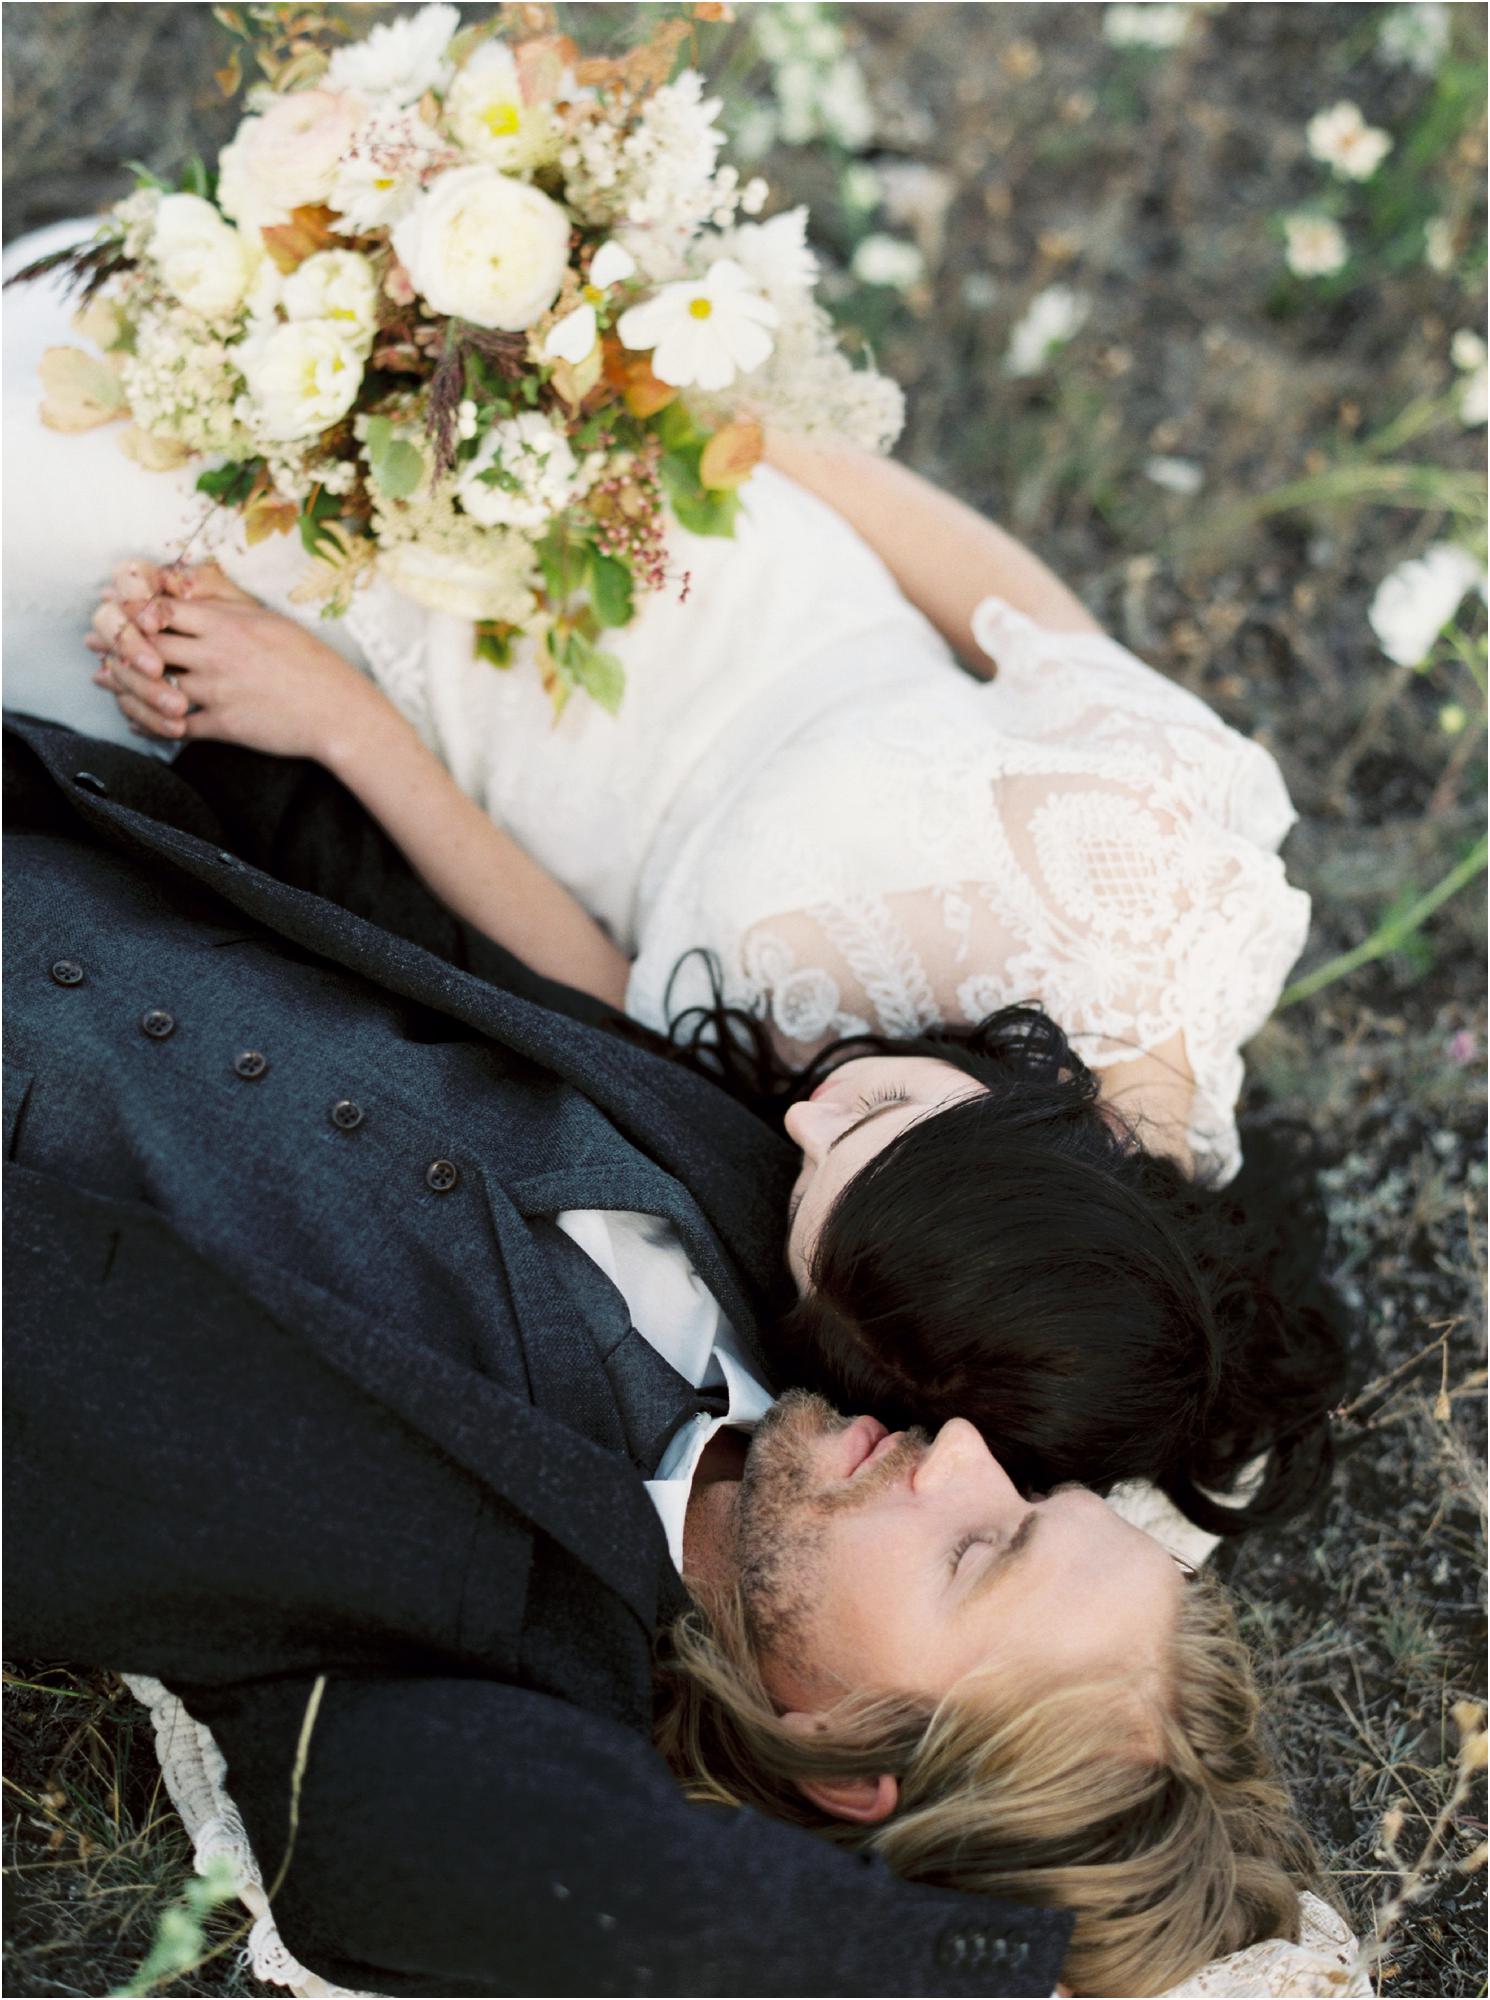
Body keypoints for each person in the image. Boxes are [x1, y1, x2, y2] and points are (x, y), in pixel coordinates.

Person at [6, 220, 1347, 1538]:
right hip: (708, 566)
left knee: (62, 517)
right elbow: (1006, 606)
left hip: (500, 741)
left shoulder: (922, 1295)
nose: (805, 1123)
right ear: (1021, 1151)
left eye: (807, 1177)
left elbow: (600, 981)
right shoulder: (1165, 855)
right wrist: (738, 429)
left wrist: (343, 727)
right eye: (863, 1124)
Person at [3, 710, 1319, 1997]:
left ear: (842, 1764)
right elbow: (441, 965)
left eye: (976, 1552)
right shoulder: (799, 1261)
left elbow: (398, 1880)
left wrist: (974, 1970)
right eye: (1029, 1499)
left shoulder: (480, 1675)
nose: (966, 1457)